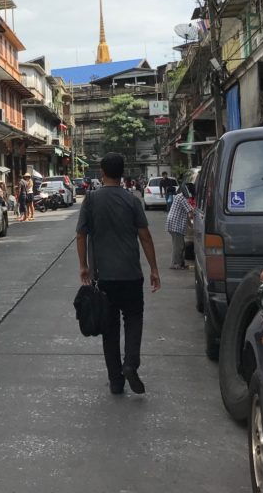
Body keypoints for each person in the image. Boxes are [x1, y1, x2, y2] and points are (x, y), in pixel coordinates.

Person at [76, 152, 161, 395]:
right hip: (131, 275)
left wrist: (83, 266)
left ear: (102, 173)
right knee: (134, 319)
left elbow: (81, 235)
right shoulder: (132, 200)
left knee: (109, 328)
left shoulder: (90, 200)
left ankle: (116, 381)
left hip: (103, 277)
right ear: (122, 173)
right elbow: (145, 236)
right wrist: (154, 269)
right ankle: (131, 364)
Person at [165, 187, 193, 270]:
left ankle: (180, 263)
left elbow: (187, 214)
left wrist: (190, 225)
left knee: (179, 245)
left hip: (174, 223)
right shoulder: (182, 198)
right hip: (175, 224)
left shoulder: (179, 196)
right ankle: (175, 264)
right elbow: (190, 213)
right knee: (178, 246)